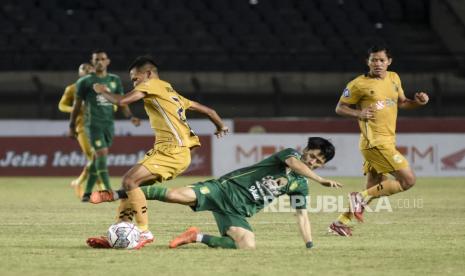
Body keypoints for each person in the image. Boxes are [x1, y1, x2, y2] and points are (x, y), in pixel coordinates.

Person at [87, 137, 341, 249]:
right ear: (305, 149)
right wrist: (320, 179)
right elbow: (295, 165)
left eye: (319, 161)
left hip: (238, 212)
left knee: (246, 245)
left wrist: (309, 244)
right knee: (174, 195)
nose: (313, 160)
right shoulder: (291, 155)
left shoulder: (301, 185)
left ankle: (195, 237)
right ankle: (120, 192)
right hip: (222, 190)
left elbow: (302, 215)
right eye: (313, 154)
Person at [86, 56, 229, 249]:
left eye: (135, 79)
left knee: (129, 181)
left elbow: (122, 101)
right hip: (172, 151)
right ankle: (119, 234)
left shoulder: (152, 84)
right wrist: (220, 126)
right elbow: (209, 111)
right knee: (132, 187)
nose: (134, 83)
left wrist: (103, 91)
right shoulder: (171, 92)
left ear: (148, 74)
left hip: (172, 150)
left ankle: (144, 232)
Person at [328, 45, 429, 237]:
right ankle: (359, 198)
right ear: (368, 62)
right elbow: (340, 108)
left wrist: (418, 102)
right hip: (375, 142)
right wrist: (359, 113)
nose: (378, 64)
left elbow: (402, 103)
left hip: (387, 141)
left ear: (389, 62)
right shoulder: (358, 84)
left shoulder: (394, 78)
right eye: (373, 60)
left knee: (375, 186)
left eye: (381, 60)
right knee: (408, 180)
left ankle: (340, 223)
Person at [69, 50, 141, 202]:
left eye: (102, 59)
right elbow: (76, 106)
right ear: (93, 62)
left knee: (97, 158)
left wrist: (130, 116)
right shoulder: (85, 81)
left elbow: (122, 101)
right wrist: (71, 126)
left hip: (108, 125)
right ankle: (108, 189)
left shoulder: (114, 80)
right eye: (96, 59)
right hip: (92, 124)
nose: (100, 62)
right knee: (102, 153)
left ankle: (87, 193)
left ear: (108, 61)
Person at [59, 63, 105, 199]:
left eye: (90, 69)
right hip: (82, 127)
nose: (87, 71)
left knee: (96, 157)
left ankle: (78, 182)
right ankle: (101, 187)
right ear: (79, 72)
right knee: (93, 156)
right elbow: (61, 105)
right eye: (84, 69)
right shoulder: (72, 89)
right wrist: (73, 109)